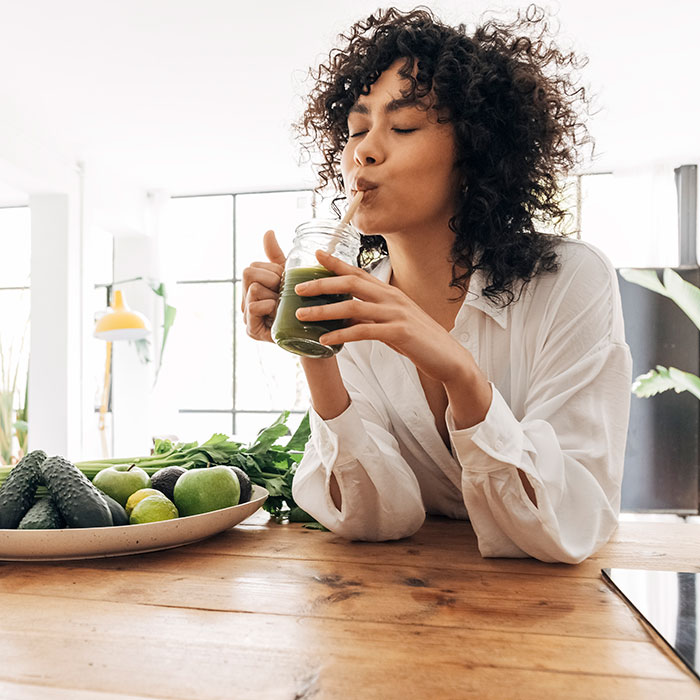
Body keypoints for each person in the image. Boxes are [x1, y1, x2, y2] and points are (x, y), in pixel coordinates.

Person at [241, 6, 632, 563]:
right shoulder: (350, 299)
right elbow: (373, 520)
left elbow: (570, 524)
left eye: (402, 126)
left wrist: (459, 372)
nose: (364, 150)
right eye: (357, 128)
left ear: (473, 152)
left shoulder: (569, 281)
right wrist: (313, 345)